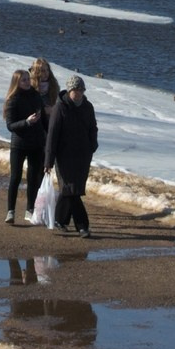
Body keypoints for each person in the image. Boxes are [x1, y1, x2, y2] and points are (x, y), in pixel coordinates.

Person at [45, 76, 99, 239]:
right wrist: (48, 161)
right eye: (77, 90)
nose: (80, 93)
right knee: (71, 190)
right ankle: (83, 226)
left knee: (69, 190)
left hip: (83, 156)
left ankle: (60, 220)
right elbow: (52, 135)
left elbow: (93, 128)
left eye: (82, 90)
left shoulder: (88, 107)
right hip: (64, 156)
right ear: (70, 91)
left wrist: (92, 145)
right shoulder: (60, 108)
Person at [1, 69, 47, 224]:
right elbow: (10, 125)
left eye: (28, 79)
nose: (28, 82)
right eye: (24, 80)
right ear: (17, 83)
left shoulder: (36, 96)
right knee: (15, 177)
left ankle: (30, 209)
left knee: (33, 178)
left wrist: (49, 137)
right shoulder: (13, 100)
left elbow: (44, 120)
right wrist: (27, 122)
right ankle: (11, 211)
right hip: (19, 144)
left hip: (36, 143)